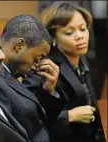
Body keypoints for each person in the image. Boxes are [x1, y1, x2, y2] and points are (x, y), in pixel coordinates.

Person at [23, 2, 106, 142]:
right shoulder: (44, 67)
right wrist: (69, 116)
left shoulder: (82, 59)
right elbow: (28, 114)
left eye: (83, 28)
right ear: (53, 37)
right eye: (69, 32)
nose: (80, 36)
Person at [0, 14, 65, 142]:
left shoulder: (7, 75)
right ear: (19, 45)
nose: (37, 66)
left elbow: (35, 123)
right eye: (37, 58)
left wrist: (47, 91)